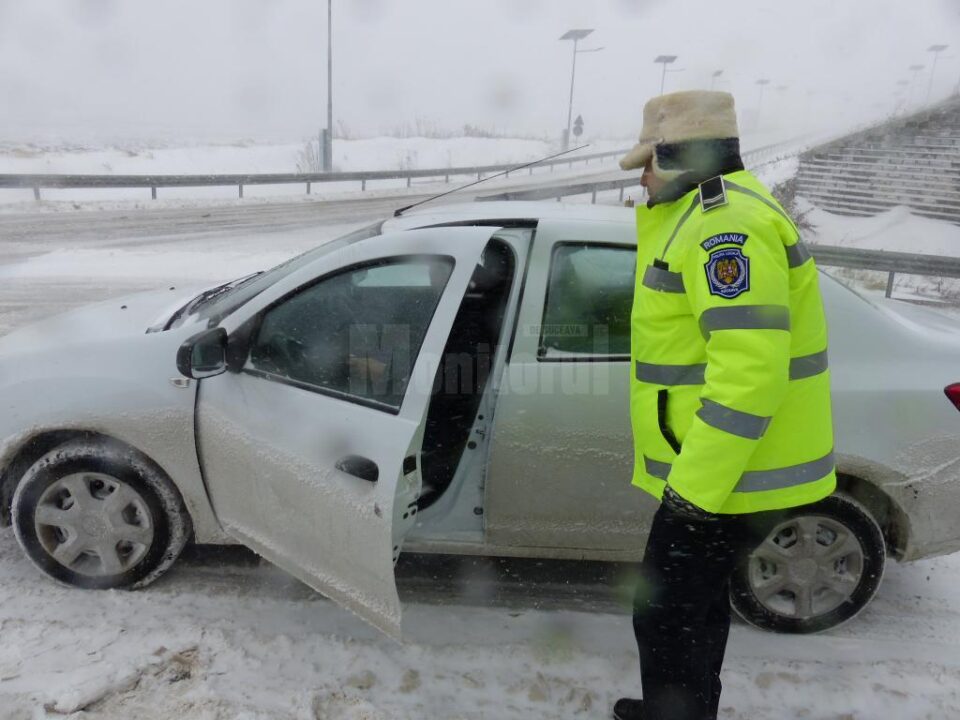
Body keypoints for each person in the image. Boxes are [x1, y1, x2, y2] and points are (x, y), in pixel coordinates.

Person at [613, 91, 836, 720]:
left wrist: (692, 491)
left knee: (666, 615)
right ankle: (680, 709)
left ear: (684, 158)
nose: (644, 178)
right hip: (720, 474)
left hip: (719, 481)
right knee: (692, 610)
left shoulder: (724, 227)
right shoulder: (708, 216)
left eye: (649, 163)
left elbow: (748, 377)